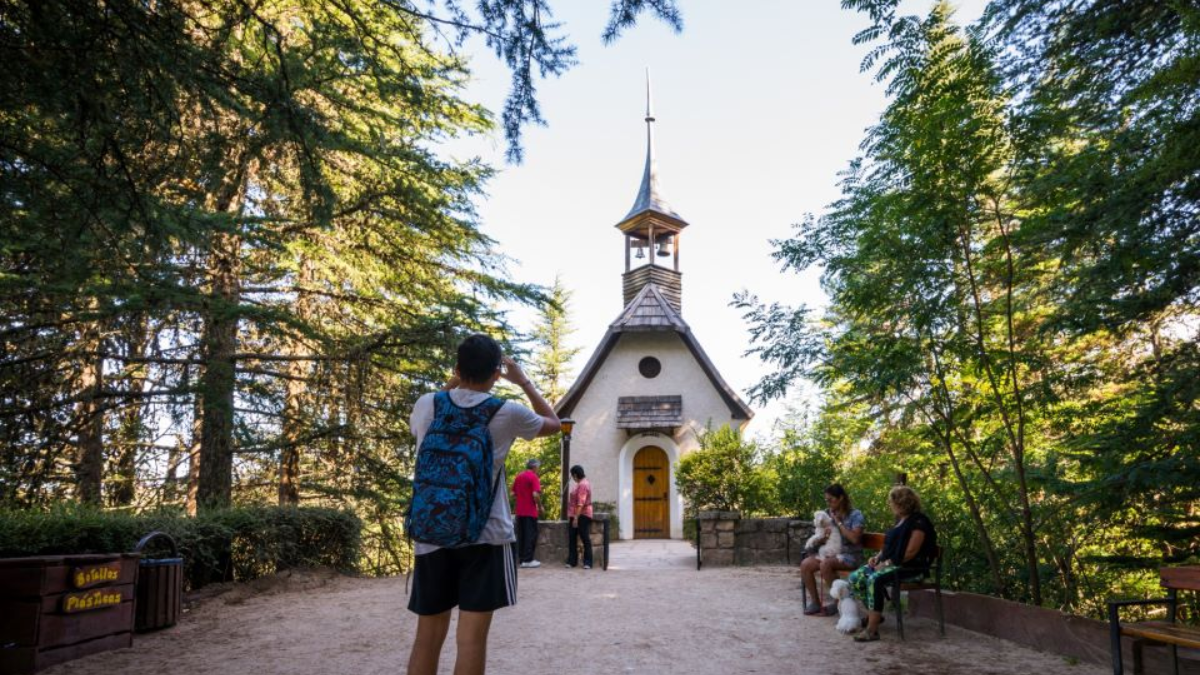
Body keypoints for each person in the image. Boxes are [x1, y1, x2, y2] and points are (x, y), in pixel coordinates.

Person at [406, 334, 560, 675]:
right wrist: (523, 381)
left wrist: (457, 378)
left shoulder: (426, 404)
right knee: (471, 640)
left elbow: (436, 407)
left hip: (431, 533)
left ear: (458, 368)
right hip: (486, 537)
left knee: (426, 637)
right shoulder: (507, 413)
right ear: (496, 373)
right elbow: (555, 424)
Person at [847, 485, 938, 642]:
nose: (890, 505)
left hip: (911, 568)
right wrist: (877, 557)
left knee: (874, 579)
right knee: (856, 577)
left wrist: (887, 564)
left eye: (892, 502)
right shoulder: (901, 520)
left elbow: (910, 553)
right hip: (892, 564)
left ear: (900, 503)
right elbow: (889, 546)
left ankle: (872, 630)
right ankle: (874, 615)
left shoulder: (919, 522)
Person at [800, 484, 865, 616]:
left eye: (831, 499)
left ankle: (838, 603)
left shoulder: (855, 515)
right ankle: (816, 603)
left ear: (841, 498)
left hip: (850, 556)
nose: (828, 503)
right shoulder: (826, 513)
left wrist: (838, 522)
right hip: (829, 552)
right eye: (826, 500)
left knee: (826, 564)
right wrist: (822, 539)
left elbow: (854, 539)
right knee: (805, 564)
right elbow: (819, 538)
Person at [511, 457, 544, 568]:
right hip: (530, 511)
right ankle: (528, 560)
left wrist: (521, 498)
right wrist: (540, 506)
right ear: (534, 467)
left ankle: (521, 559)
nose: (538, 469)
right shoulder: (533, 477)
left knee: (521, 535)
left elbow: (513, 494)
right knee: (530, 535)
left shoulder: (519, 476)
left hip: (519, 512)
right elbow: (535, 494)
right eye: (538, 467)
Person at [565, 464, 593, 569]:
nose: (572, 478)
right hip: (575, 514)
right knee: (572, 538)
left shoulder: (583, 485)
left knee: (585, 537)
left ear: (575, 475)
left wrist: (576, 518)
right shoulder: (580, 483)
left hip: (582, 515)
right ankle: (572, 561)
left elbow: (580, 503)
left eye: (572, 475)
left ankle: (588, 562)